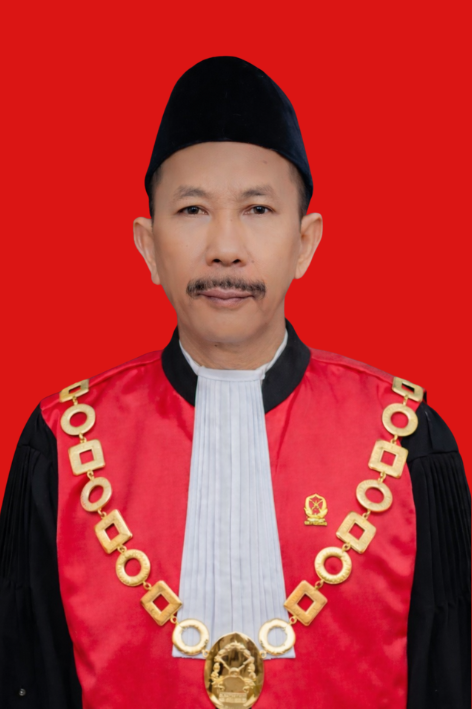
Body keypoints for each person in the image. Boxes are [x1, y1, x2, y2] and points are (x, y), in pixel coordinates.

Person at [0, 56, 469, 709]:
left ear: (305, 242)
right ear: (148, 246)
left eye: (257, 208)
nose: (225, 246)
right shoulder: (62, 445)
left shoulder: (408, 439)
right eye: (193, 209)